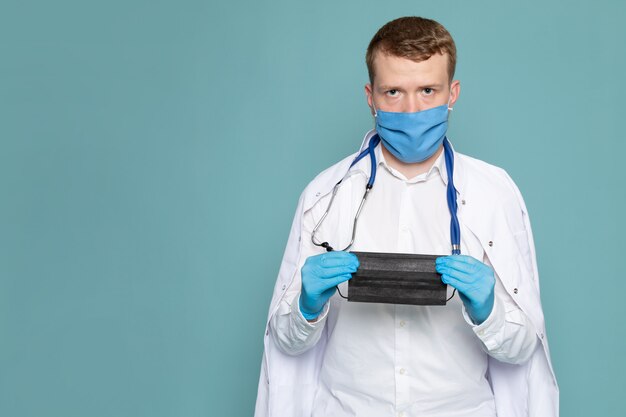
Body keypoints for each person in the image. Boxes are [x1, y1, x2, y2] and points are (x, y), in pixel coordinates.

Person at [255, 16, 558, 417]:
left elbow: (522, 352)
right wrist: (306, 307)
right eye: (393, 91)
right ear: (370, 96)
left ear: (453, 93)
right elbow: (287, 344)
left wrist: (490, 311)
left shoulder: (494, 193)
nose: (411, 109)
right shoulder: (325, 195)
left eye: (428, 90)